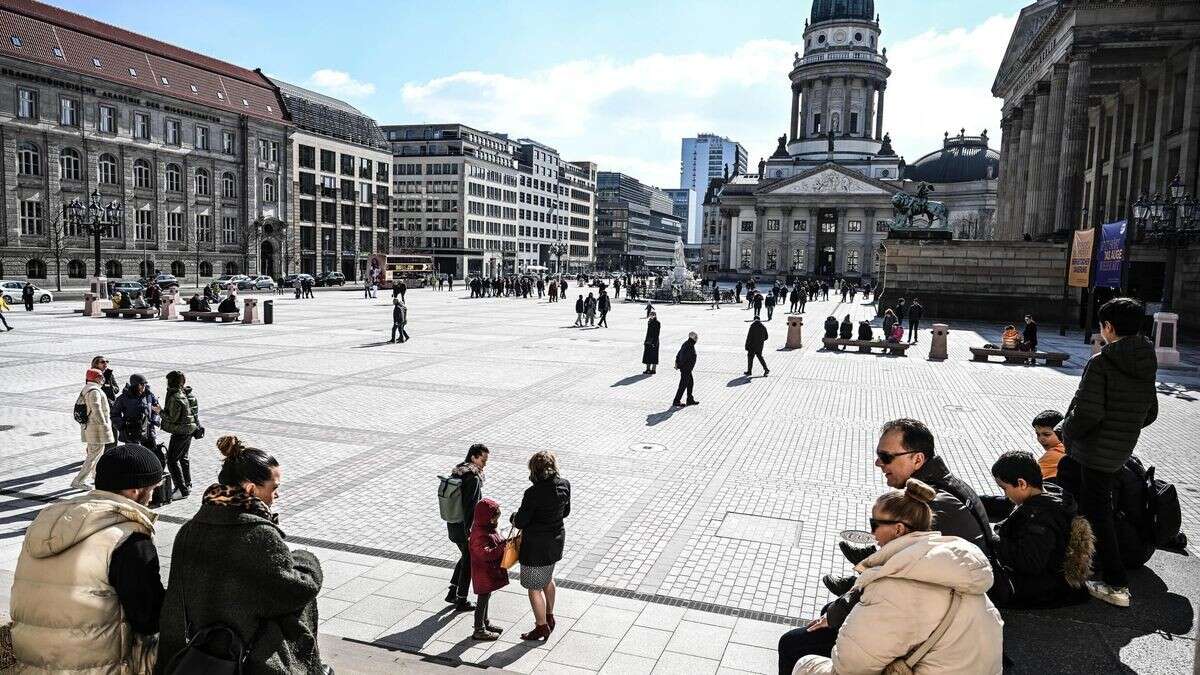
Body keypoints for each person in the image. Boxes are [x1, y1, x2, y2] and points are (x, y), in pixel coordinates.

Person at [786, 479, 1003, 675]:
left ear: (898, 530)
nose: (873, 534)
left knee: (803, 660)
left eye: (875, 525)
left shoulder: (894, 587)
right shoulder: (954, 567)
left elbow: (850, 666)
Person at [156, 436, 330, 674]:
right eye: (274, 488)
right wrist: (306, 560)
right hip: (243, 661)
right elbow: (296, 589)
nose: (276, 496)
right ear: (251, 488)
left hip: (192, 658)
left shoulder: (190, 529)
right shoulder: (258, 536)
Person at [11, 443, 165, 673]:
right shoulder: (129, 540)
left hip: (32, 665)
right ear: (134, 491)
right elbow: (149, 618)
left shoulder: (44, 523)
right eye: (152, 488)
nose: (152, 497)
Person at [1058, 297, 1158, 607]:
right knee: (1091, 504)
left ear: (1108, 327)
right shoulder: (1146, 359)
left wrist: (1066, 431)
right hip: (1119, 449)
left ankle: (1116, 583)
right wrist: (1123, 427)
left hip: (1093, 451)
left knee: (1097, 513)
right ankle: (1083, 562)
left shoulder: (1102, 362)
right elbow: (1151, 411)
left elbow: (1087, 414)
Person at [825, 418, 994, 596]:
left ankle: (862, 572)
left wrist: (851, 595)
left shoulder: (929, 505)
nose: (878, 463)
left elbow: (901, 564)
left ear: (917, 459)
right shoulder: (940, 481)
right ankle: (869, 558)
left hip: (964, 590)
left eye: (886, 457)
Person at [987, 450, 1093, 608]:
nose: (1005, 494)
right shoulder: (1048, 494)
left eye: (1004, 488)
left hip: (1046, 588)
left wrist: (993, 540)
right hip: (1054, 581)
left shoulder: (1040, 518)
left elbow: (1029, 562)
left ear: (1022, 484)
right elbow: (1005, 504)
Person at [512, 451, 571, 642]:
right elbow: (566, 512)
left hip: (535, 547)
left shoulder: (532, 493)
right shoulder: (564, 484)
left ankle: (541, 626)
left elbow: (521, 521)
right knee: (548, 578)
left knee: (533, 588)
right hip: (555, 542)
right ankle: (549, 616)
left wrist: (514, 517)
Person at [446, 444, 488, 611]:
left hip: (453, 523)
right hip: (465, 527)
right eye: (483, 460)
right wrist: (470, 532)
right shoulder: (473, 479)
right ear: (473, 457)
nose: (485, 464)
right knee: (469, 559)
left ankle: (452, 591)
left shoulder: (458, 472)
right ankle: (461, 599)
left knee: (465, 556)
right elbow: (470, 506)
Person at [468, 498, 509, 641]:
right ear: (486, 518)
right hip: (483, 573)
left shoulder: (486, 528)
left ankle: (485, 623)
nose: (495, 522)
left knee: (486, 596)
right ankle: (479, 629)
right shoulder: (479, 534)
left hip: (488, 571)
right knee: (483, 599)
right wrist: (502, 547)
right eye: (494, 519)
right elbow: (486, 554)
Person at [72, 367, 116, 489]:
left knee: (98, 453)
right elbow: (96, 408)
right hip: (96, 428)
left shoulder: (89, 388)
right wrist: (104, 424)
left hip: (93, 427)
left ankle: (96, 476)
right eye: (101, 376)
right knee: (93, 455)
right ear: (96, 378)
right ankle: (78, 481)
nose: (103, 379)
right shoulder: (94, 391)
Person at [160, 371, 199, 499]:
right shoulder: (187, 393)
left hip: (180, 432)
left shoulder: (176, 396)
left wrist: (158, 411)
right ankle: (187, 484)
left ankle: (182, 490)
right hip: (189, 430)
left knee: (171, 460)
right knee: (183, 458)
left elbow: (172, 418)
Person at [111, 374, 161, 451]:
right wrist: (123, 426)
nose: (144, 386)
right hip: (131, 432)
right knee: (133, 456)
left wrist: (154, 420)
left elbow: (156, 410)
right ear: (134, 385)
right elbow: (114, 414)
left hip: (148, 431)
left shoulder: (149, 395)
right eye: (141, 384)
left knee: (152, 455)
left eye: (145, 384)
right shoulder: (124, 397)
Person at [1032, 410, 1066, 479]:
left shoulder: (1051, 456)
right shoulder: (1073, 449)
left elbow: (1031, 480)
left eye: (1046, 434)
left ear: (1060, 432)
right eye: (1038, 434)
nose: (1041, 439)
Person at [672, 332, 699, 407]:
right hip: (686, 369)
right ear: (693, 338)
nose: (697, 339)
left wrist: (677, 362)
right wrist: (679, 365)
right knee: (683, 385)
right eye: (696, 337)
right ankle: (676, 401)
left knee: (690, 383)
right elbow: (682, 357)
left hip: (688, 369)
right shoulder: (689, 345)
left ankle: (690, 399)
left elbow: (679, 354)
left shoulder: (688, 344)